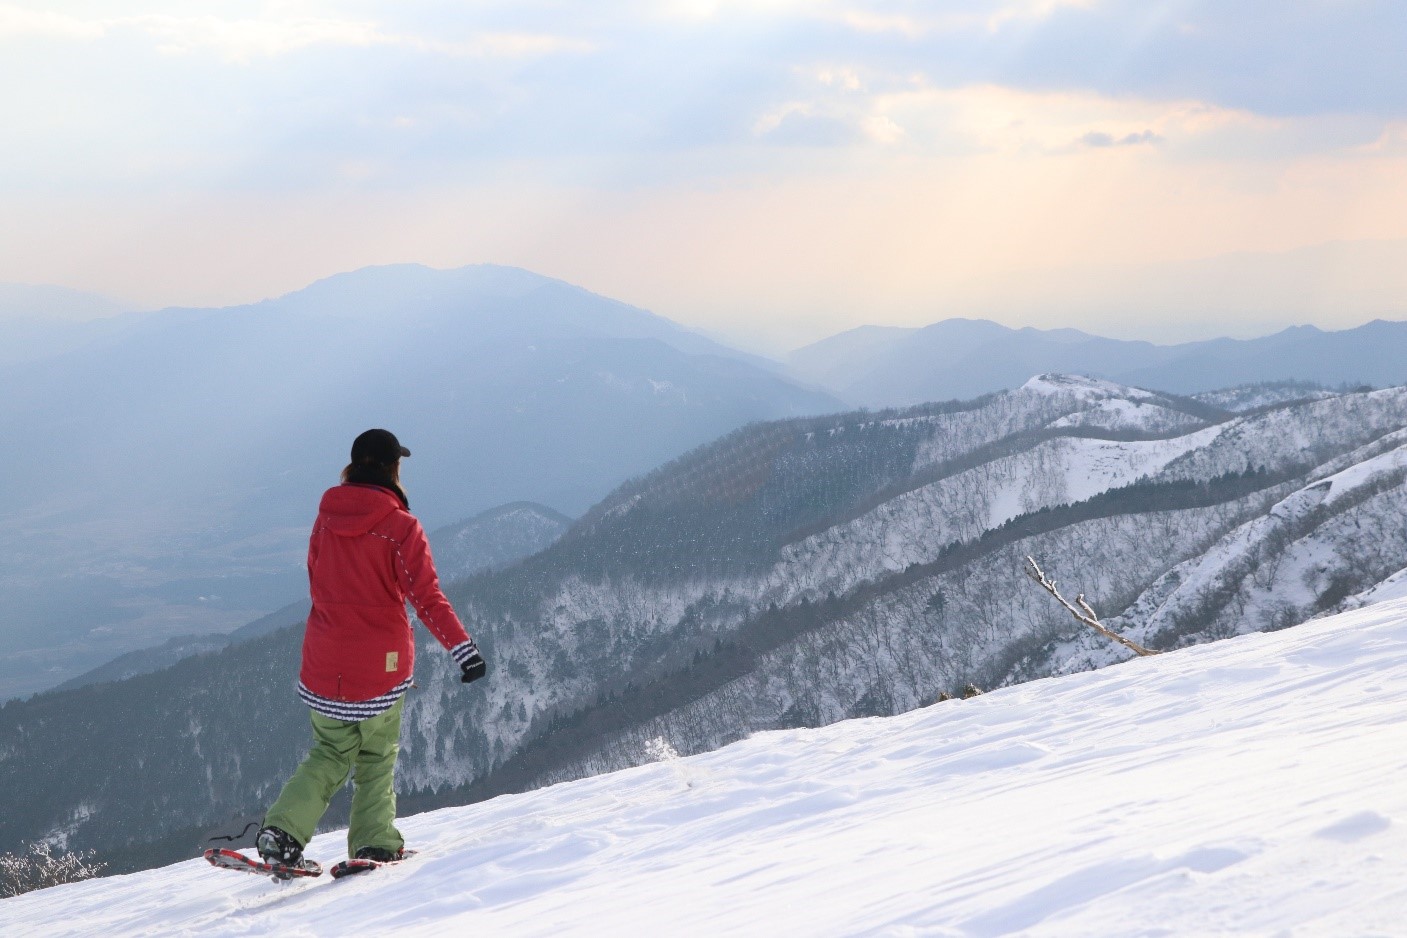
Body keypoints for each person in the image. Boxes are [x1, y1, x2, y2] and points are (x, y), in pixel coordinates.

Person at [256, 428, 486, 870]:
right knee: (376, 759)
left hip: (322, 661)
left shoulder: (325, 518)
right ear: (392, 468)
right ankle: (375, 843)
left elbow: (316, 579)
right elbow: (426, 597)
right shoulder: (401, 527)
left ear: (353, 465)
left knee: (328, 753)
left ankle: (281, 834)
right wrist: (463, 650)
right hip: (380, 667)